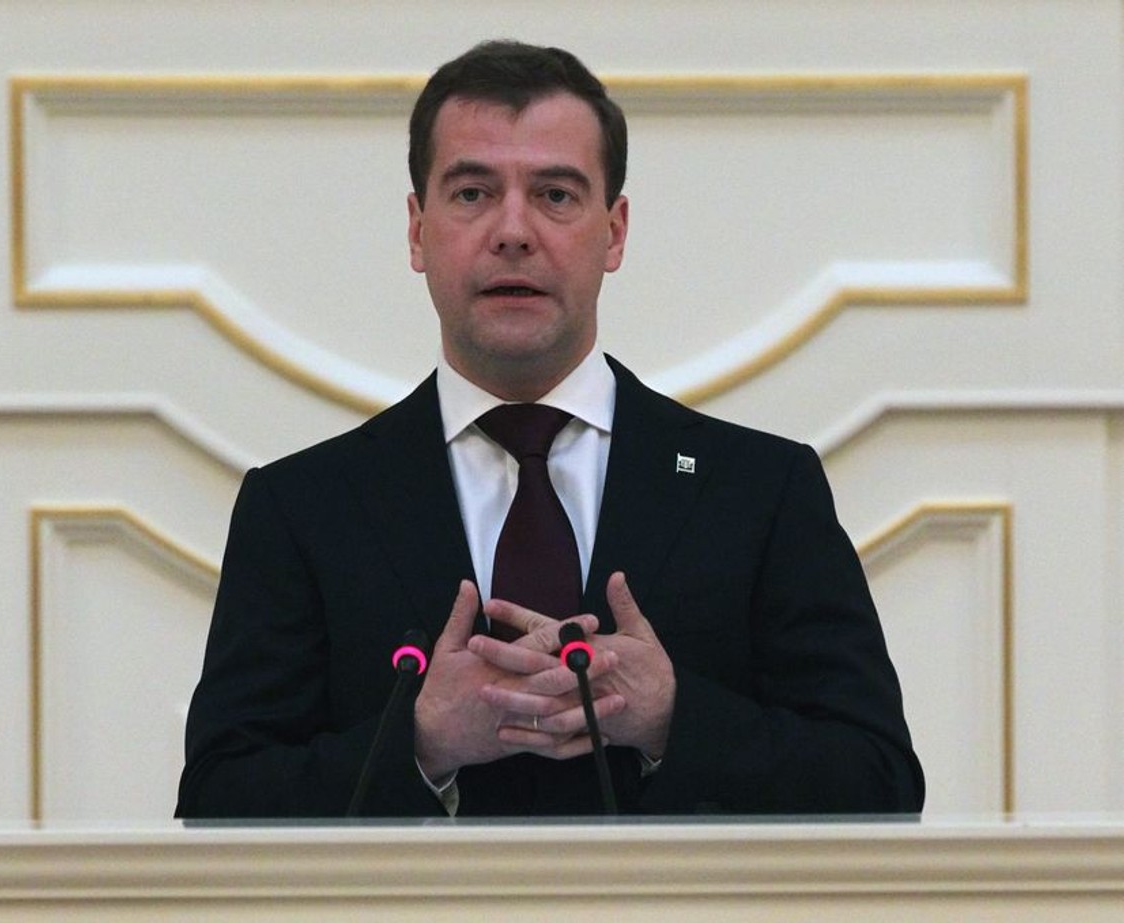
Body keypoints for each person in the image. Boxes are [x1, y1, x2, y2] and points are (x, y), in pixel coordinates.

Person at [176, 40, 925, 818]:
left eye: (556, 194)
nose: (513, 230)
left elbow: (880, 783)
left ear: (615, 232)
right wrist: (422, 742)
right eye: (472, 193)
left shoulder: (762, 491)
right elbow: (217, 801)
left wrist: (670, 714)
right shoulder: (302, 507)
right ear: (417, 230)